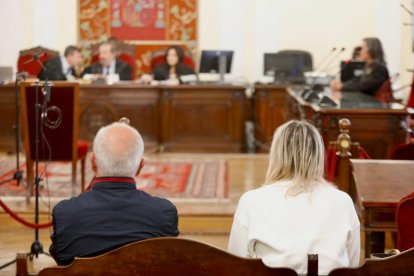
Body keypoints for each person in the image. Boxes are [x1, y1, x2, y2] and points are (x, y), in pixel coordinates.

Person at [228, 120, 360, 275]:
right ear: (318, 155)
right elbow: (352, 265)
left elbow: (236, 265)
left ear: (276, 155)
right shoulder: (342, 201)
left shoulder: (251, 201)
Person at [49, 121, 179, 265]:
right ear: (140, 167)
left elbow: (61, 262)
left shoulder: (66, 214)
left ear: (93, 162)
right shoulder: (163, 214)